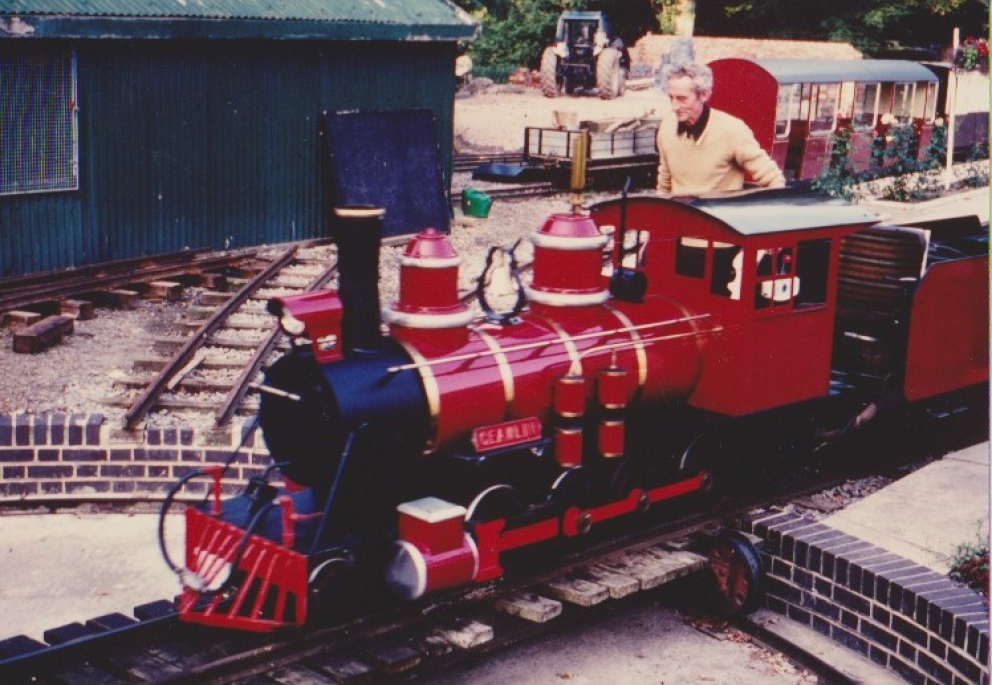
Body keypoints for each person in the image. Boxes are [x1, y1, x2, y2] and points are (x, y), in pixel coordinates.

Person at [656, 62, 785, 195]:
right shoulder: (667, 126)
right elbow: (664, 184)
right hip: (680, 213)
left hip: (717, 214)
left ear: (704, 95)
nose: (674, 106)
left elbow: (774, 180)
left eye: (682, 99)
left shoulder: (732, 130)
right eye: (671, 98)